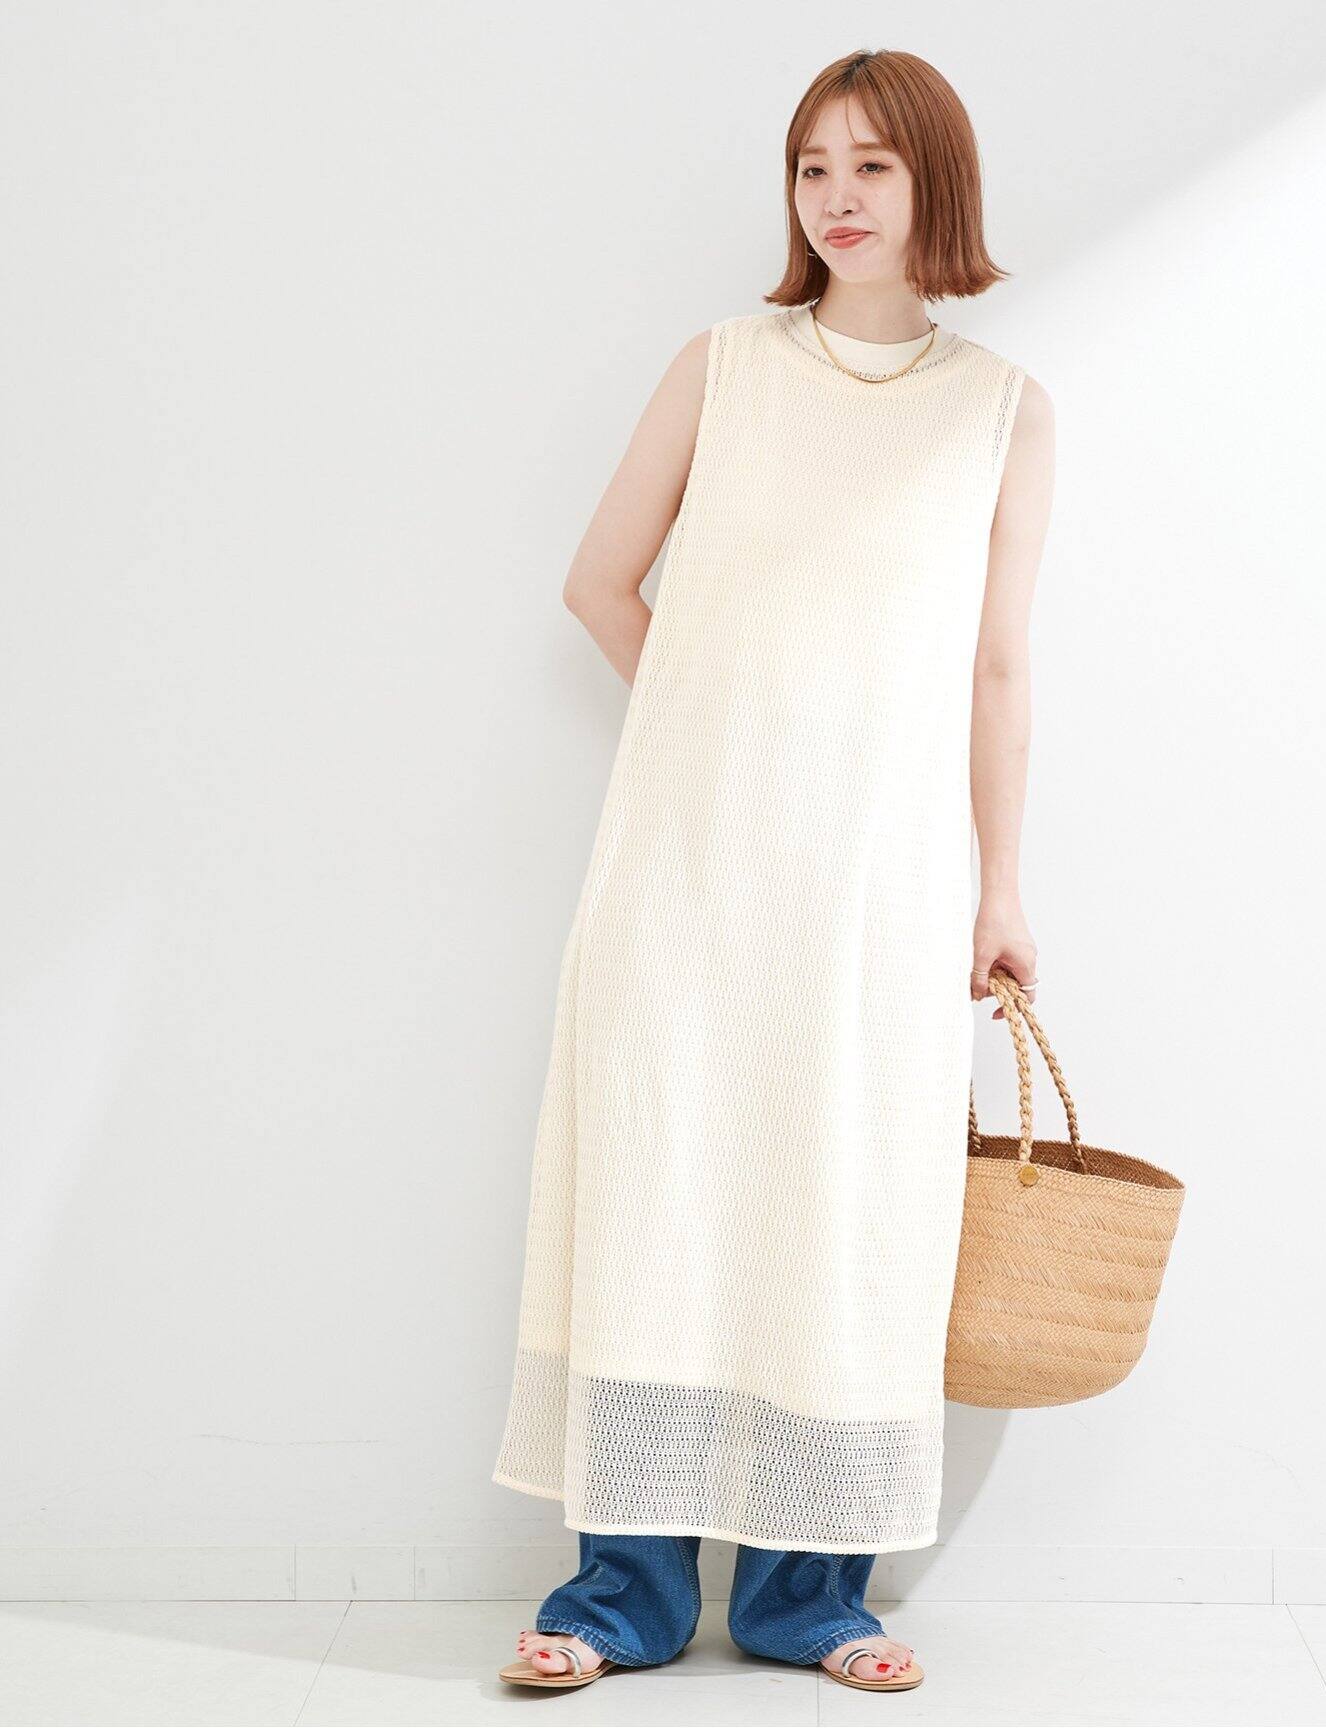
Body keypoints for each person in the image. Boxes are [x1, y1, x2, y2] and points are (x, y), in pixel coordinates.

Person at [494, 46, 1053, 1694]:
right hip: (687, 865)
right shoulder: (724, 367)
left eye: (873, 165)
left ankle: (814, 1598)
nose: (838, 196)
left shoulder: (1002, 410)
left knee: (847, 1200)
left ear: (936, 182)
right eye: (814, 166)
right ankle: (624, 1596)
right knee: (659, 1190)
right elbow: (601, 584)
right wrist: (716, 723)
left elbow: (997, 668)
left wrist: (1003, 887)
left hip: (880, 878)